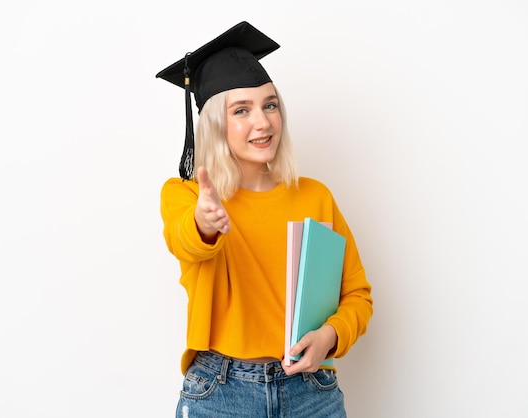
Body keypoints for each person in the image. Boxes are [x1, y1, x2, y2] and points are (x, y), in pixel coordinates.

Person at [156, 21, 373, 418]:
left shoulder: (314, 196)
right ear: (215, 124)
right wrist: (205, 222)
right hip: (220, 394)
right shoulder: (187, 195)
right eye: (242, 110)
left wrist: (330, 335)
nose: (263, 121)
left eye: (269, 104)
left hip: (312, 393)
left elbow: (357, 295)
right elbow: (183, 238)